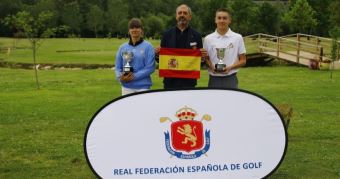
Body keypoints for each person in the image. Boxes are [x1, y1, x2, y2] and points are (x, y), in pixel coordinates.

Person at [155, 4, 207, 89]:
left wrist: (203, 57)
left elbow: (200, 62)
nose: (182, 15)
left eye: (185, 13)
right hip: (170, 81)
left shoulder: (196, 35)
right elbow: (161, 59)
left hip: (189, 81)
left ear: (190, 17)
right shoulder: (167, 35)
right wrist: (157, 54)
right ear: (176, 16)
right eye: (180, 13)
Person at [203, 8, 246, 89]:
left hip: (231, 78)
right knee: (213, 101)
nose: (221, 20)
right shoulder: (208, 39)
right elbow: (206, 58)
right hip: (214, 79)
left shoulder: (237, 37)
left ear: (229, 20)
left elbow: (243, 60)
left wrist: (230, 68)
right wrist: (211, 66)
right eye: (219, 18)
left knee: (231, 101)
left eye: (224, 18)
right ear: (215, 20)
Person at [115, 18, 155, 95]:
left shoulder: (148, 47)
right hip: (126, 87)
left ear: (141, 30)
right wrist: (121, 77)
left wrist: (133, 76)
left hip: (143, 87)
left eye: (137, 27)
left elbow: (150, 68)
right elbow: (117, 67)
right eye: (132, 28)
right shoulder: (122, 47)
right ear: (128, 31)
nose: (134, 30)